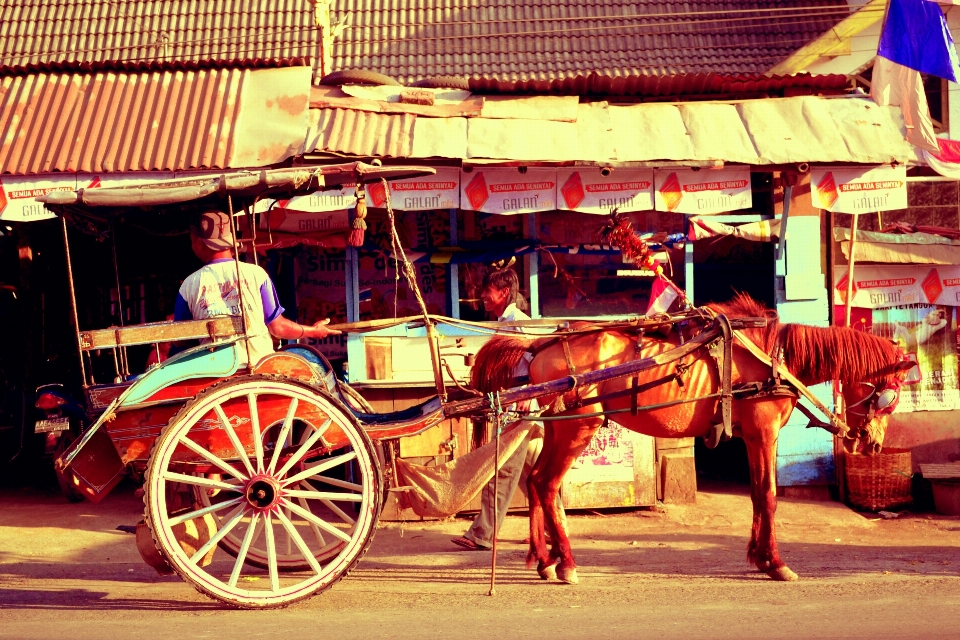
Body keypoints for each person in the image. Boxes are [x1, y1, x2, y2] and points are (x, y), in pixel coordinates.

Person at [451, 267, 566, 551]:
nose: (482, 297)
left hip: (522, 404)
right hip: (513, 403)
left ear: (503, 292)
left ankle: (483, 533)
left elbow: (543, 358)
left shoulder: (519, 322)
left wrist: (531, 393)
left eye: (487, 291)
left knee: (500, 467)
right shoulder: (503, 322)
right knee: (534, 472)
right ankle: (554, 528)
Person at [174, 210, 340, 365]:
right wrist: (313, 331)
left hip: (215, 370)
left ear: (197, 242)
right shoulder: (256, 274)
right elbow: (278, 327)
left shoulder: (189, 285)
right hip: (260, 366)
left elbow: (181, 339)